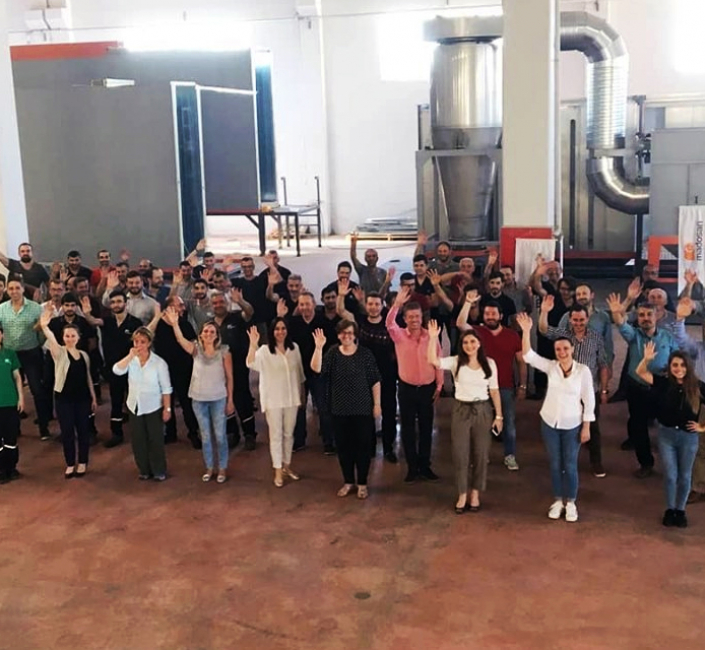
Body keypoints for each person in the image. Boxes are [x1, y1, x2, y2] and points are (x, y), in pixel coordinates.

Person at [517, 312, 594, 522]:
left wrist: (586, 427)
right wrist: (526, 332)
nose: (562, 352)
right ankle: (558, 500)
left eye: (565, 348)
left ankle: (571, 502)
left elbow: (589, 400)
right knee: (554, 463)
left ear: (572, 349)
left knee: (570, 464)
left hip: (573, 425)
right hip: (550, 423)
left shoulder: (583, 371)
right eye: (558, 349)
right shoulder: (551, 367)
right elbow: (528, 356)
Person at [428, 319, 502, 513]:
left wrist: (499, 416)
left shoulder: (489, 364)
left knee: (481, 453)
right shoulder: (456, 362)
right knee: (460, 453)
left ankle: (475, 493)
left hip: (482, 409)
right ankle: (462, 493)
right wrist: (433, 338)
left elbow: (494, 391)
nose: (469, 345)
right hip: (461, 409)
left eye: (472, 342)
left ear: (479, 344)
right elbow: (433, 361)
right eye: (465, 342)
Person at [607, 293, 679, 477]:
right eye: (641, 315)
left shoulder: (667, 337)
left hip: (661, 388)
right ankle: (646, 464)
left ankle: (673, 464)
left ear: (656, 316)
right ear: (638, 318)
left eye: (649, 315)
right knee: (638, 427)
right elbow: (620, 323)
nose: (645, 318)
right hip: (637, 389)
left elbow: (677, 359)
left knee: (667, 425)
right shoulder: (633, 335)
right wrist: (616, 312)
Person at [636, 341, 705, 528]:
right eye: (675, 365)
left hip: (688, 438)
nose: (679, 369)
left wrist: (702, 427)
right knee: (670, 475)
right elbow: (641, 372)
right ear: (670, 366)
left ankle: (680, 511)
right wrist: (646, 359)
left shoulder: (698, 387)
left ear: (688, 367)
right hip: (666, 436)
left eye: (682, 365)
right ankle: (670, 509)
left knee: (685, 476)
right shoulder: (663, 383)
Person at [539, 297, 609, 478]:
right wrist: (544, 312)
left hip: (589, 390)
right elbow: (544, 329)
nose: (578, 323)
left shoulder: (596, 338)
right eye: (575, 320)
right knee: (565, 427)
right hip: (565, 392)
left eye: (581, 320)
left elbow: (603, 364)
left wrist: (603, 389)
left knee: (593, 427)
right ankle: (565, 462)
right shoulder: (563, 335)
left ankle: (596, 462)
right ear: (570, 319)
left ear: (587, 319)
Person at [311, 321, 381, 499]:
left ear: (355, 335)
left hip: (362, 409)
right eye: (343, 333)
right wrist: (318, 347)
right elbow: (316, 368)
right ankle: (348, 481)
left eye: (350, 333)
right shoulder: (333, 353)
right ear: (338, 335)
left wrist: (377, 404)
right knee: (343, 448)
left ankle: (362, 483)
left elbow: (375, 380)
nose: (346, 336)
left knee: (363, 448)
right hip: (339, 410)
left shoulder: (365, 354)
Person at [457, 294, 527, 471]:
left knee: (508, 423)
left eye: (494, 314)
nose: (490, 317)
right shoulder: (477, 333)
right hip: (480, 387)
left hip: (505, 386)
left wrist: (523, 385)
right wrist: (468, 303)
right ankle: (481, 456)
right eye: (487, 314)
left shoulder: (512, 335)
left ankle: (510, 456)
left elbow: (521, 362)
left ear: (501, 316)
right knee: (480, 424)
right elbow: (460, 323)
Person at [163, 309, 234, 483]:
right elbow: (180, 340)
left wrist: (230, 400)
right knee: (206, 436)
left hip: (218, 398)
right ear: (201, 334)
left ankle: (222, 468)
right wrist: (175, 324)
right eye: (206, 331)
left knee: (220, 435)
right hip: (198, 400)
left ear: (217, 335)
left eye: (212, 331)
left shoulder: (224, 352)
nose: (208, 334)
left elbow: (230, 377)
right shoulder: (195, 349)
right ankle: (209, 467)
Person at [337, 282, 398, 462]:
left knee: (388, 412)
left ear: (382, 305)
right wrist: (341, 295)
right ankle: (369, 447)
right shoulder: (360, 322)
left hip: (387, 376)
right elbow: (341, 311)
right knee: (366, 413)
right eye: (370, 304)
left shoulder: (389, 323)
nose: (373, 307)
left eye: (377, 304)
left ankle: (388, 448)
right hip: (364, 376)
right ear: (366, 305)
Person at [386, 287, 443, 482]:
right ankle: (412, 467)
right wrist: (396, 304)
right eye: (410, 317)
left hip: (427, 389)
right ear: (405, 318)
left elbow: (438, 361)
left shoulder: (431, 336)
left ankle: (425, 466)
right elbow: (389, 323)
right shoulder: (399, 335)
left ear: (422, 317)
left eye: (417, 316)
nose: (414, 320)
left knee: (427, 428)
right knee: (408, 429)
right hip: (406, 389)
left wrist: (439, 386)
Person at [246, 320, 305, 487]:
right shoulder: (264, 351)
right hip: (273, 400)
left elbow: (300, 373)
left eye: (283, 328)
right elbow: (250, 363)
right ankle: (277, 470)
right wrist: (253, 345)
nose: (280, 332)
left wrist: (301, 394)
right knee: (276, 435)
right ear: (272, 332)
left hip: (291, 398)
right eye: (277, 329)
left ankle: (287, 466)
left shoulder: (294, 348)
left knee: (289, 434)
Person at [39, 307, 97, 478]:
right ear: (63, 338)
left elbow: (88, 378)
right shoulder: (59, 353)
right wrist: (44, 326)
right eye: (67, 336)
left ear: (78, 338)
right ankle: (70, 463)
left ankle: (83, 462)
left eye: (73, 336)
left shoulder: (84, 355)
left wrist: (93, 397)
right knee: (67, 433)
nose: (70, 339)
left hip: (82, 399)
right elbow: (50, 338)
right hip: (63, 399)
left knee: (83, 431)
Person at [112, 327, 172, 481]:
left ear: (149, 343)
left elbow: (166, 388)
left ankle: (159, 470)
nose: (139, 345)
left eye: (143, 342)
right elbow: (117, 370)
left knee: (155, 439)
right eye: (136, 341)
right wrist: (130, 356)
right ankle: (144, 469)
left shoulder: (159, 363)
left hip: (153, 406)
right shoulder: (131, 360)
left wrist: (167, 408)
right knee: (138, 440)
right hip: (134, 405)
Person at [0, 277, 52, 439]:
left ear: (23, 289)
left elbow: (41, 329)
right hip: (10, 354)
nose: (14, 291)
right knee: (13, 392)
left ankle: (43, 427)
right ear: (7, 290)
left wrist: (39, 342)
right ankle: (14, 428)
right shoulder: (2, 308)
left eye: (17, 288)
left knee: (37, 390)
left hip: (31, 354)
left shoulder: (35, 308)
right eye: (11, 288)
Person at [287, 292, 337, 453]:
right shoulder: (293, 323)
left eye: (307, 304)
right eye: (301, 304)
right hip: (299, 371)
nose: (305, 307)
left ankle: (328, 442)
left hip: (320, 372)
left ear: (314, 304)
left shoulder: (324, 323)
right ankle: (299, 440)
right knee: (299, 406)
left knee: (324, 407)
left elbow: (332, 347)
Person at [152, 296, 200, 448]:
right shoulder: (158, 325)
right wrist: (156, 317)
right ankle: (170, 432)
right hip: (164, 372)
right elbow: (145, 335)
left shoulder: (185, 324)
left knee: (187, 403)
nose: (183, 308)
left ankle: (193, 433)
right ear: (170, 308)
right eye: (180, 305)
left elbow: (193, 346)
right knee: (167, 402)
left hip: (183, 370)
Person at [100, 290, 144, 448]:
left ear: (126, 303)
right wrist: (86, 312)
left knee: (136, 400)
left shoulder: (136, 323)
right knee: (116, 401)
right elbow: (92, 321)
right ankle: (116, 433)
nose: (116, 305)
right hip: (113, 369)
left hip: (133, 369)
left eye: (119, 301)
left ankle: (140, 432)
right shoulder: (107, 322)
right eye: (113, 302)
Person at [0, 324, 23, 482]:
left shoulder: (10, 353)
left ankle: (12, 468)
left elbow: (17, 377)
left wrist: (21, 397)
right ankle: (1, 470)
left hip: (10, 402)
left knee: (11, 437)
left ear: (2, 335)